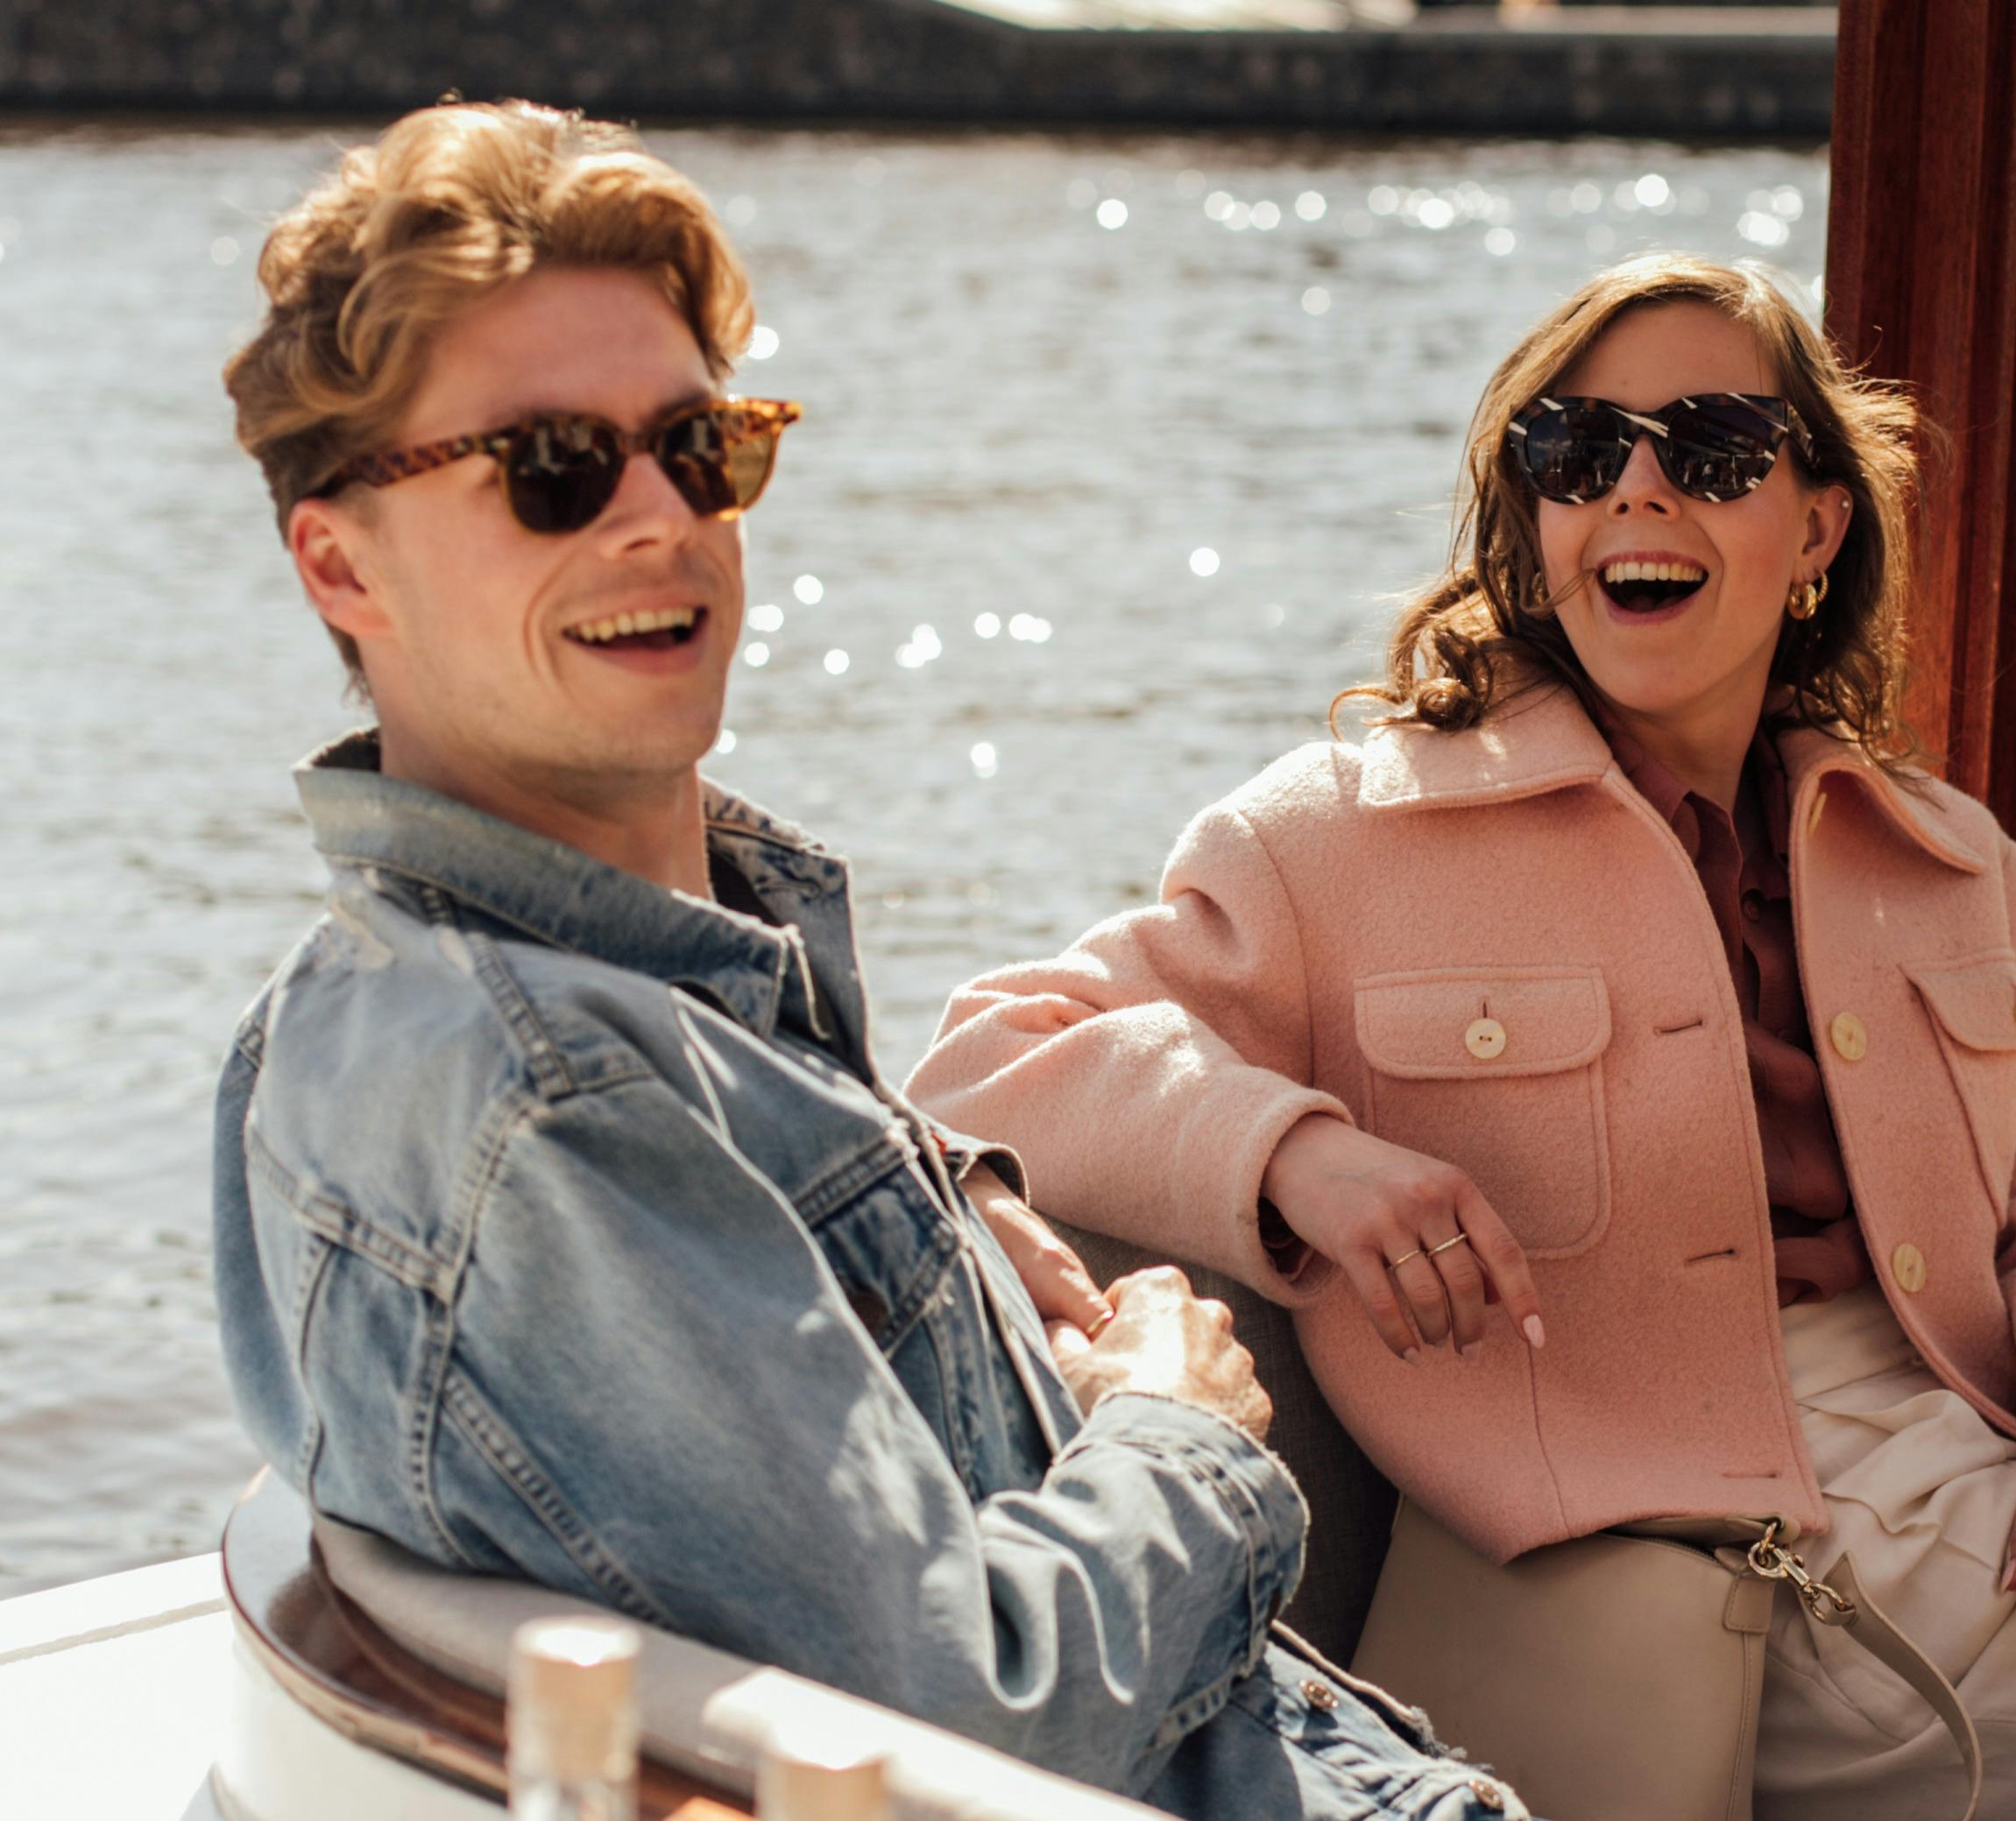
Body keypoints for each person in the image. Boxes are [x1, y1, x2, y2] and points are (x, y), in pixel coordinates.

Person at [908, 252, 2016, 1817]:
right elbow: (991, 1056)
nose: (1636, 492)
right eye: (1574, 451)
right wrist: (1302, 1151)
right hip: (1709, 1565)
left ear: (1816, 529)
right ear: (1529, 524)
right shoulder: (1338, 833)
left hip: (1990, 1495)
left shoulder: (1935, 855)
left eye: (1710, 452)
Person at [208, 98, 1531, 1821]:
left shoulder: (439, 1010)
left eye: (699, 447)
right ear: (339, 557)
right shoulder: (560, 1099)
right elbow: (981, 1714)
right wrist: (1179, 1418)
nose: (656, 521)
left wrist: (945, 1199)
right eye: (551, 469)